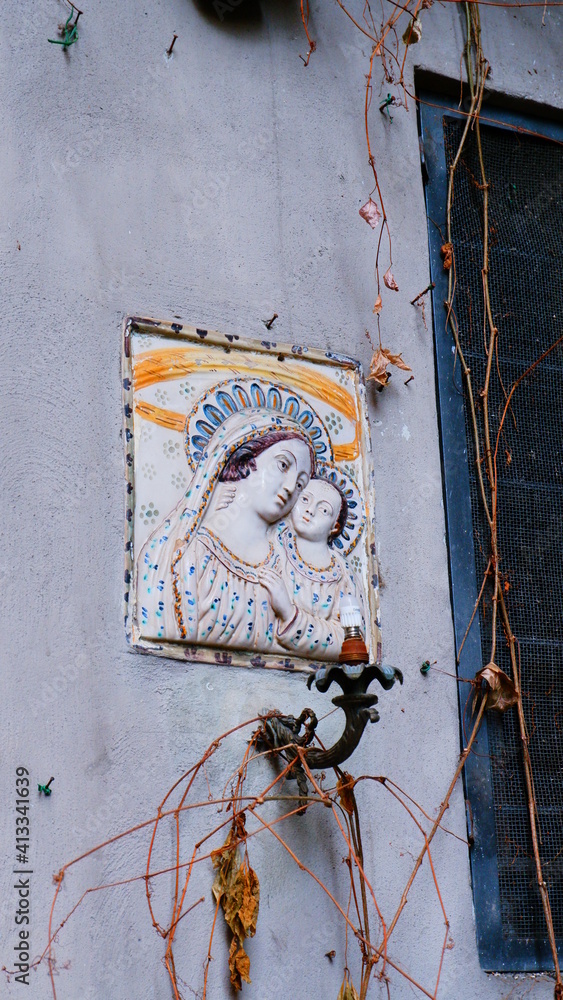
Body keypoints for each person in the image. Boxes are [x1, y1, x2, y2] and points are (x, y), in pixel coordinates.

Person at [134, 407, 315, 652]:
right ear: (246, 458)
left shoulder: (288, 568)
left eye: (302, 484)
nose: (291, 487)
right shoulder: (180, 556)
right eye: (283, 465)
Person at [258, 476, 366, 660]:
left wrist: (289, 613)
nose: (310, 510)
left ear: (335, 526)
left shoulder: (343, 576)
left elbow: (350, 643)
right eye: (305, 499)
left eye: (324, 510)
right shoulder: (270, 546)